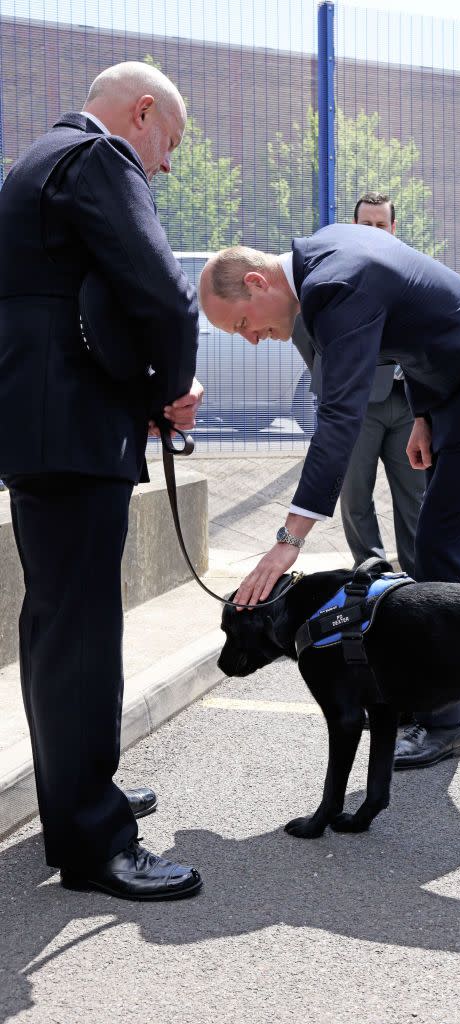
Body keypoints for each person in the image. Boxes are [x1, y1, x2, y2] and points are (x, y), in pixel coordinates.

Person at [198, 225, 460, 769]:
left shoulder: (335, 285)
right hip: (455, 384)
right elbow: (422, 324)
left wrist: (290, 539)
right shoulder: (324, 258)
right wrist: (424, 416)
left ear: (257, 282)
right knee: (431, 547)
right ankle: (428, 695)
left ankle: (446, 722)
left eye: (242, 323)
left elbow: (340, 417)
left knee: (439, 547)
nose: (250, 337)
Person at [0, 61, 204, 901]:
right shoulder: (95, 158)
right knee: (78, 636)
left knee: (58, 628)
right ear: (143, 111)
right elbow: (164, 294)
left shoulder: (33, 163)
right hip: (76, 432)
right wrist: (174, 390)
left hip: (45, 428)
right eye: (168, 146)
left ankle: (82, 795)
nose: (161, 166)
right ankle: (93, 843)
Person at [291, 192, 424, 574]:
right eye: (366, 224)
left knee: (415, 497)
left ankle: (419, 582)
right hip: (357, 408)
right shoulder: (337, 268)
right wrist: (337, 378)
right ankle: (374, 577)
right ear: (354, 226)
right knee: (355, 497)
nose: (375, 231)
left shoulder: (410, 268)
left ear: (394, 228)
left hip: (408, 406)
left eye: (382, 224)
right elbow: (304, 327)